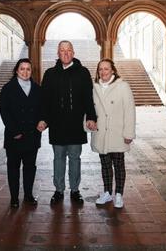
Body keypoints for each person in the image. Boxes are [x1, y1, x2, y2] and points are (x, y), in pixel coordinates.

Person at [37, 40, 97, 205]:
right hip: (57, 125)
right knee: (58, 157)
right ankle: (58, 190)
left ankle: (75, 190)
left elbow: (88, 98)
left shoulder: (83, 72)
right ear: (57, 53)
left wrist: (91, 117)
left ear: (73, 52)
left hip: (76, 125)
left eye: (68, 50)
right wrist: (43, 119)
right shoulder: (50, 74)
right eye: (62, 50)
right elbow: (45, 101)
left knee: (75, 157)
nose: (65, 53)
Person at [91, 59, 135, 209]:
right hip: (101, 133)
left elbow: (130, 111)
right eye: (100, 69)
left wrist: (129, 133)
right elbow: (89, 109)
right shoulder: (94, 88)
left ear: (113, 71)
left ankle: (119, 195)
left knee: (119, 165)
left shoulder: (123, 86)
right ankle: (107, 192)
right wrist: (88, 122)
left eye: (106, 69)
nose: (103, 72)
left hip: (117, 133)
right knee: (105, 166)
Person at [0, 58, 42, 208]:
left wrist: (44, 121)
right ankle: (14, 197)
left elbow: (43, 110)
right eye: (22, 69)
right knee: (13, 168)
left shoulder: (37, 88)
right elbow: (4, 112)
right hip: (14, 136)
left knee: (30, 167)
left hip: (32, 135)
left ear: (31, 71)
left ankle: (29, 195)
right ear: (17, 70)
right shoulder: (7, 88)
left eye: (28, 69)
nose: (25, 72)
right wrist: (15, 131)